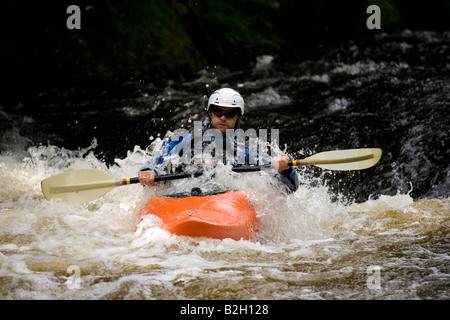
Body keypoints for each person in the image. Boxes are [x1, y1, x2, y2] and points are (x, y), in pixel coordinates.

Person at [139, 88, 299, 192]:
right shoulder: (186, 140)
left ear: (238, 116)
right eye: (218, 112)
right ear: (210, 113)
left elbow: (288, 187)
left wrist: (285, 169)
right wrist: (149, 170)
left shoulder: (245, 150)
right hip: (184, 197)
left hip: (224, 204)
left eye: (230, 113)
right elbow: (159, 160)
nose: (223, 117)